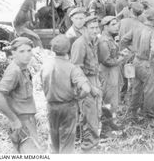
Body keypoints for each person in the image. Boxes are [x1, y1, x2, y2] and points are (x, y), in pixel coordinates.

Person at [40, 34, 93, 154]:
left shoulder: (45, 65)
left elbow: (42, 84)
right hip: (68, 107)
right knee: (67, 144)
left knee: (53, 141)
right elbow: (87, 88)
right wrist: (79, 97)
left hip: (51, 106)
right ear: (68, 49)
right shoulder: (72, 68)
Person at [0, 37, 40, 153]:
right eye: (22, 51)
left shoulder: (23, 67)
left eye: (29, 50)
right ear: (13, 53)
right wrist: (14, 120)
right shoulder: (14, 71)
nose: (27, 55)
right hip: (22, 121)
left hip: (26, 119)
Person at [121, 8, 154, 120]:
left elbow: (123, 40)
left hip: (136, 61)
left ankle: (133, 113)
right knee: (150, 91)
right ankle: (149, 117)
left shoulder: (136, 27)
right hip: (146, 63)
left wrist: (133, 50)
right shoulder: (153, 32)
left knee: (136, 88)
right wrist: (150, 59)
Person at [70, 15, 102, 152]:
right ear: (85, 28)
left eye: (96, 27)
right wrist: (90, 87)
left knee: (95, 112)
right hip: (85, 81)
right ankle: (87, 145)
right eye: (91, 28)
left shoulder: (94, 41)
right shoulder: (80, 43)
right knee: (88, 114)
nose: (95, 30)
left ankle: (93, 141)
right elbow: (76, 69)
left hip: (94, 78)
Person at [98, 16, 124, 135]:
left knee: (113, 99)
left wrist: (119, 54)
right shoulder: (104, 41)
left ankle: (112, 121)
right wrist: (121, 58)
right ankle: (107, 126)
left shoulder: (110, 38)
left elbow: (112, 54)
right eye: (113, 24)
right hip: (108, 73)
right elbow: (106, 61)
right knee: (108, 100)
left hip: (113, 72)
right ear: (105, 26)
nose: (117, 26)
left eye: (117, 24)